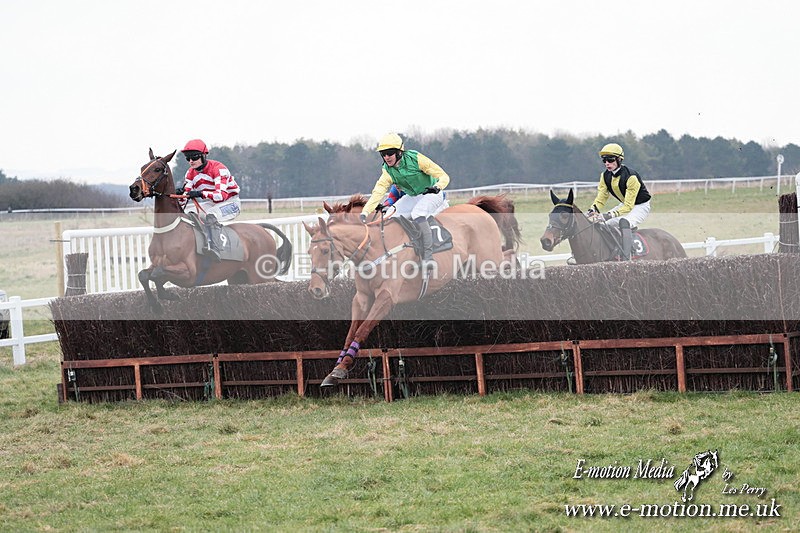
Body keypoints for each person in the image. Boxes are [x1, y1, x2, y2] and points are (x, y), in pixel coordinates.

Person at [361, 133, 450, 273]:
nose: (386, 157)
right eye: (383, 154)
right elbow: (378, 191)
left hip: (432, 193)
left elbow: (443, 176)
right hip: (414, 196)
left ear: (399, 152)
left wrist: (438, 186)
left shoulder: (416, 158)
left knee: (417, 214)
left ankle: (428, 258)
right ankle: (404, 249)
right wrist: (365, 212)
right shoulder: (387, 170)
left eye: (389, 153)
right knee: (389, 215)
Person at [177, 139, 241, 261]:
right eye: (187, 158)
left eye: (194, 157)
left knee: (210, 216)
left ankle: (215, 249)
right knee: (187, 214)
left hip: (231, 202)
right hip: (211, 203)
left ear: (203, 155)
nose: (190, 161)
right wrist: (180, 195)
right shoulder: (190, 173)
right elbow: (184, 200)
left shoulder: (219, 169)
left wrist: (200, 193)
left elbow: (221, 195)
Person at [586, 142, 652, 260]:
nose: (607, 163)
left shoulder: (631, 177)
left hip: (640, 206)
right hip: (624, 204)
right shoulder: (605, 176)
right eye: (604, 160)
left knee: (624, 222)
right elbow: (602, 197)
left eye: (610, 159)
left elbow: (628, 206)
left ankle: (627, 258)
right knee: (600, 224)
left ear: (619, 160)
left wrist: (608, 215)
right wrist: (593, 209)